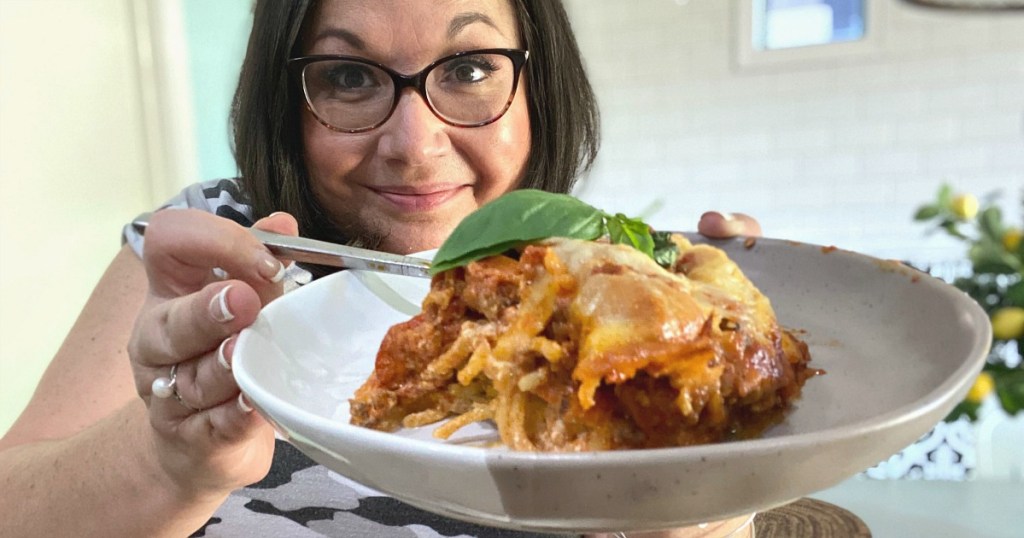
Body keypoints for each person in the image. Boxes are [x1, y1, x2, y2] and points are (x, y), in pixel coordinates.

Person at [0, 1, 760, 536]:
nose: (415, 144)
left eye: (466, 69)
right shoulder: (210, 252)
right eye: (351, 77)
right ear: (286, 98)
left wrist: (709, 458)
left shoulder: (617, 285)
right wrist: (172, 458)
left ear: (538, 83)